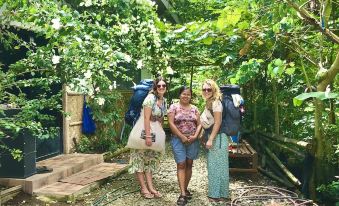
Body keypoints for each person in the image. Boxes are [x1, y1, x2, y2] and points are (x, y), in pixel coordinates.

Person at [128, 76, 167, 199]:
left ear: (166, 88)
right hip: (144, 131)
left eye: (163, 85)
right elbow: (146, 118)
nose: (161, 87)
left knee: (150, 160)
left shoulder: (163, 100)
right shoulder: (150, 98)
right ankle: (143, 188)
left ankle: (151, 187)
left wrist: (161, 134)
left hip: (155, 131)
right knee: (139, 159)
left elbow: (160, 118)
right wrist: (148, 136)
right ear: (155, 87)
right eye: (159, 85)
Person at [168, 86, 201, 206]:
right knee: (181, 164)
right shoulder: (173, 107)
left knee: (189, 163)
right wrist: (181, 136)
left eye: (188, 94)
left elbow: (199, 124)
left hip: (192, 139)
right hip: (178, 139)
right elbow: (171, 123)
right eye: (183, 94)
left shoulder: (195, 109)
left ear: (191, 96)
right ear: (179, 95)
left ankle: (185, 189)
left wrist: (195, 136)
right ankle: (182, 194)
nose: (186, 96)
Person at [200, 79, 229, 202]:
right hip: (217, 138)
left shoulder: (216, 103)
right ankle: (222, 194)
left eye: (209, 89)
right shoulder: (209, 102)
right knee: (220, 166)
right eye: (204, 89)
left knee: (215, 166)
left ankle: (215, 195)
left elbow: (218, 122)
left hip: (219, 138)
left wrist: (210, 139)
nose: (206, 91)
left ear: (214, 90)